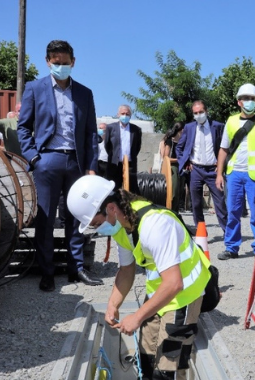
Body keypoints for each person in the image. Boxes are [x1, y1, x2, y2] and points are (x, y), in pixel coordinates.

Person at [67, 175, 211, 380]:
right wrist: (113, 305)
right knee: (146, 357)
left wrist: (136, 316)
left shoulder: (155, 225)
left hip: (184, 294)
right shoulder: (123, 227)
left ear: (111, 208)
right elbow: (126, 270)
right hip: (160, 292)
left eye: (97, 223)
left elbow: (174, 283)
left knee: (167, 369)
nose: (99, 229)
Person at [17, 40, 102, 292]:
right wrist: (34, 158)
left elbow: (90, 133)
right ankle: (47, 272)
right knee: (45, 219)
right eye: (56, 63)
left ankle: (77, 269)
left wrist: (91, 167)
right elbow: (23, 127)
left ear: (73, 62)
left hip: (76, 162)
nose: (61, 67)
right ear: (48, 62)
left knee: (76, 216)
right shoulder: (35, 89)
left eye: (65, 63)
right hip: (47, 161)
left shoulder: (84, 94)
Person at [215, 83, 255, 260]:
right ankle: (232, 248)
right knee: (232, 211)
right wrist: (219, 173)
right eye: (246, 99)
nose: (250, 101)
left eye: (252, 99)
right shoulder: (231, 121)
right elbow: (223, 149)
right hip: (234, 173)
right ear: (239, 102)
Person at [176, 101, 228, 233]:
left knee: (220, 203)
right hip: (196, 170)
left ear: (206, 112)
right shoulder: (189, 127)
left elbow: (227, 147)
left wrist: (221, 164)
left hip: (213, 170)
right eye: (195, 113)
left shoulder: (218, 126)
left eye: (200, 112)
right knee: (196, 203)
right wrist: (185, 162)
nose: (198, 115)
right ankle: (201, 232)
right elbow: (179, 147)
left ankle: (227, 233)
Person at [105, 105, 143, 191]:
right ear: (118, 114)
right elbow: (107, 145)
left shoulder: (136, 129)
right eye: (122, 113)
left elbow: (137, 147)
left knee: (131, 189)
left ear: (130, 115)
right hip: (115, 164)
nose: (125, 116)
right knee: (113, 189)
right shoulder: (111, 128)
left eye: (127, 114)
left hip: (130, 165)